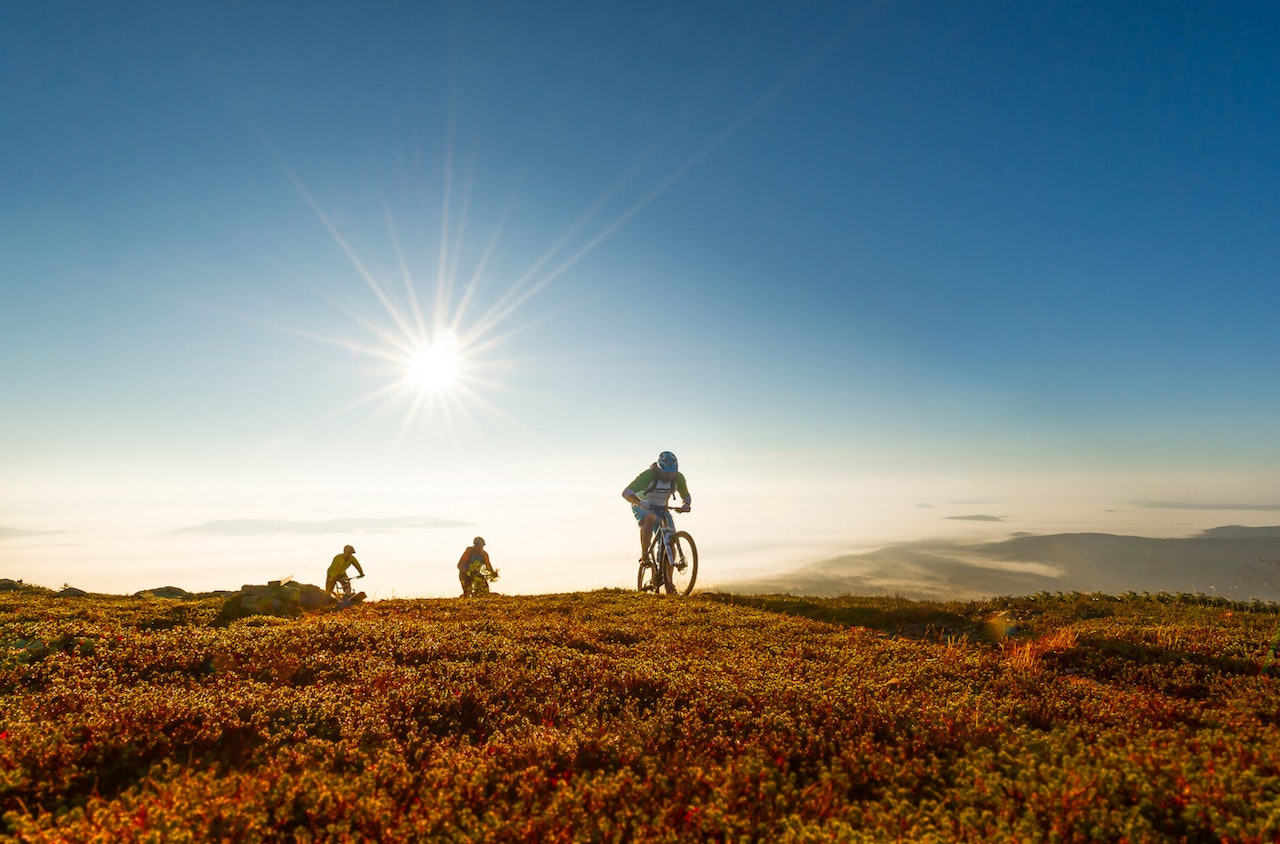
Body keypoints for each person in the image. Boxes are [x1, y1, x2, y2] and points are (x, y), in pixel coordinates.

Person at [622, 451, 691, 567]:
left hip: (662, 508)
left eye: (673, 472)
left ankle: (667, 576)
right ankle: (645, 555)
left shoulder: (678, 478)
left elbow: (686, 495)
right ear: (659, 469)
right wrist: (639, 502)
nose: (669, 475)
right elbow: (626, 492)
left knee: (670, 541)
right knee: (650, 517)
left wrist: (686, 504)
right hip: (642, 505)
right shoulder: (649, 475)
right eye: (666, 472)